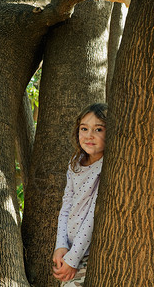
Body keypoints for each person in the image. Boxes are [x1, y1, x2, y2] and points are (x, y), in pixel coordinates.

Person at [52, 103, 108, 286]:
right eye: (84, 128)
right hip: (70, 249)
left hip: (87, 253)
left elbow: (93, 214)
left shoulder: (106, 166)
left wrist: (73, 259)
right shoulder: (75, 163)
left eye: (98, 129)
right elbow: (66, 205)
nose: (89, 135)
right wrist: (61, 245)